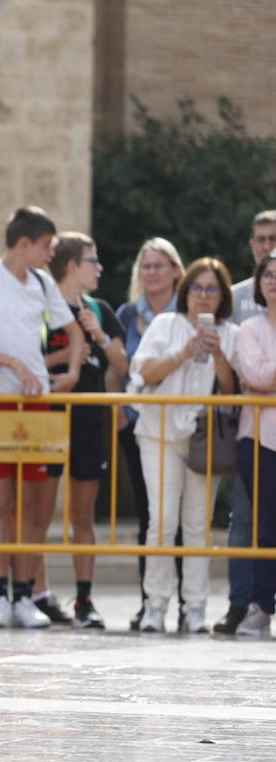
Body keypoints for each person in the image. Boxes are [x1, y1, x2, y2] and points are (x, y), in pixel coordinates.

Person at [0, 206, 83, 629]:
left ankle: (25, 595)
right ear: (24, 243)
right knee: (1, 502)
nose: (51, 254)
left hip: (38, 402)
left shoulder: (44, 282)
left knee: (31, 506)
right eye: (46, 246)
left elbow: (77, 329)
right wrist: (12, 364)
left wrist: (72, 373)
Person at [129, 257, 237, 634]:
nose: (204, 297)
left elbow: (231, 391)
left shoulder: (231, 332)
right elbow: (143, 372)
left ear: (222, 296)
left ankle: (195, 608)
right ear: (185, 291)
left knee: (197, 525)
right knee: (162, 520)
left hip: (204, 440)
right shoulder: (165, 324)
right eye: (197, 288)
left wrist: (218, 353)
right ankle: (155, 605)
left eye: (212, 289)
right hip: (158, 434)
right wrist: (184, 352)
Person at [34, 233, 126, 628]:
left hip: (89, 418)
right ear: (72, 265)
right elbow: (22, 357)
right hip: (44, 417)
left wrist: (99, 337)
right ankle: (37, 595)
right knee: (37, 514)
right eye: (93, 260)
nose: (99, 267)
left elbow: (123, 367)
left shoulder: (100, 309)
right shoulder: (39, 306)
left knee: (82, 514)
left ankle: (84, 600)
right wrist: (65, 354)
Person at [114, 238, 185, 623]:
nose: (152, 273)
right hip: (138, 425)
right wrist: (119, 408)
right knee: (150, 515)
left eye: (159, 265)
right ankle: (151, 601)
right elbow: (119, 366)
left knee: (181, 517)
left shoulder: (190, 311)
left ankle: (188, 604)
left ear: (176, 270)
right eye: (146, 266)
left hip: (182, 425)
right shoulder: (127, 314)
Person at [218, 211, 274, 634]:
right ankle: (245, 603)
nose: (267, 245)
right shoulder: (238, 303)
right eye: (261, 239)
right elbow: (250, 375)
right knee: (250, 519)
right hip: (252, 428)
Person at [231, 250, 276, 638]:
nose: (273, 281)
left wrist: (264, 381)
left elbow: (263, 378)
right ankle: (261, 605)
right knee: (265, 526)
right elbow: (255, 374)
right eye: (268, 276)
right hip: (261, 438)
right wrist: (260, 382)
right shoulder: (249, 328)